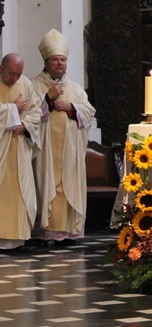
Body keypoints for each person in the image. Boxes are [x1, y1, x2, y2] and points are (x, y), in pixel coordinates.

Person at [31, 29, 96, 245]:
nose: (60, 64)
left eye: (63, 60)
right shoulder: (33, 86)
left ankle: (68, 231)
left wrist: (72, 108)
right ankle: (44, 232)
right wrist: (48, 100)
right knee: (44, 185)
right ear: (46, 62)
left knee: (68, 187)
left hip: (70, 151)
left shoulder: (75, 89)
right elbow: (28, 115)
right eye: (55, 60)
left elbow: (89, 112)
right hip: (44, 151)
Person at [0, 53, 43, 251]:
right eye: (11, 74)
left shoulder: (25, 84)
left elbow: (36, 112)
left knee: (21, 193)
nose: (16, 79)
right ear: (1, 69)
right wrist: (12, 109)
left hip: (20, 150)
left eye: (19, 74)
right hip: (3, 150)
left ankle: (18, 240)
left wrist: (24, 125)